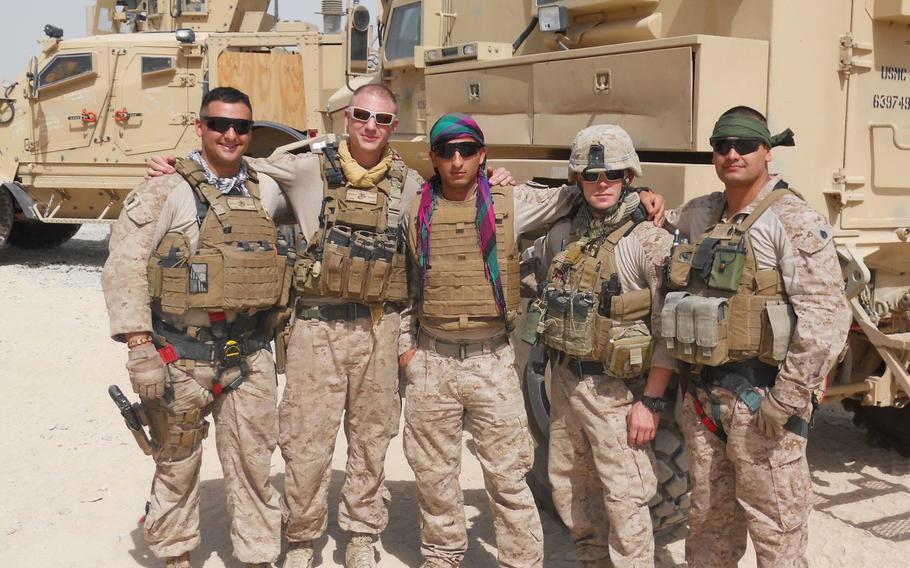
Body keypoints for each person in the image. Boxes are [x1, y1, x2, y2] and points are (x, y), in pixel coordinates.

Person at [147, 85, 515, 568]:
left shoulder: (409, 185)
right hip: (314, 329)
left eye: (382, 119)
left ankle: (362, 533)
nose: (370, 126)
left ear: (393, 126)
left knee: (371, 438)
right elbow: (230, 169)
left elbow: (457, 193)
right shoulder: (303, 168)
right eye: (362, 115)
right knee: (305, 441)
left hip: (378, 330)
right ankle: (301, 538)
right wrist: (179, 164)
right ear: (347, 117)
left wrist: (493, 174)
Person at [397, 113, 664, 568]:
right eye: (447, 151)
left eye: (467, 150)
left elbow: (668, 323)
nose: (457, 159)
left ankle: (521, 562)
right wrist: (407, 353)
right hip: (438, 361)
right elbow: (404, 285)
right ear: (433, 157)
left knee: (519, 479)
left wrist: (653, 400)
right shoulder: (413, 209)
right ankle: (443, 556)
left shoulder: (515, 204)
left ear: (483, 155)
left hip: (510, 364)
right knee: (446, 475)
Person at [652, 106, 851, 567]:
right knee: (707, 527)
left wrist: (788, 398)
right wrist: (648, 200)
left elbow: (825, 318)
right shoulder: (702, 212)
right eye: (722, 146)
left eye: (744, 145)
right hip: (703, 402)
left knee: (777, 532)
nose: (732, 154)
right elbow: (657, 225)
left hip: (763, 404)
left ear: (767, 150)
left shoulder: (792, 219)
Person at [102, 87, 288, 568]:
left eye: (242, 127)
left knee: (253, 466)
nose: (231, 134)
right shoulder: (164, 188)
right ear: (199, 126)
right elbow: (124, 266)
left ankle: (258, 554)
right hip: (179, 356)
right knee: (177, 464)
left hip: (248, 356)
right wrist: (139, 346)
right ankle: (174, 553)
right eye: (220, 124)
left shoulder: (265, 187)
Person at [526, 125, 674, 567]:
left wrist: (651, 401)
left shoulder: (648, 240)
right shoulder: (565, 232)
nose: (602, 184)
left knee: (626, 503)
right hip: (566, 383)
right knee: (572, 493)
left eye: (612, 174)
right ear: (578, 181)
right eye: (591, 176)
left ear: (629, 176)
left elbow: (669, 329)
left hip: (618, 394)